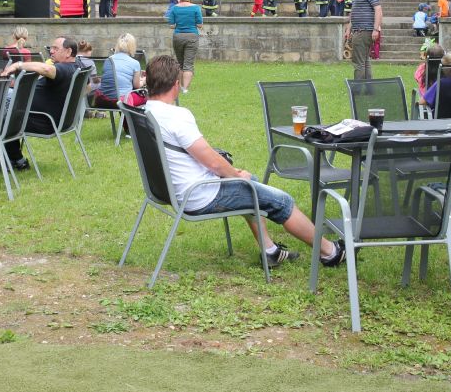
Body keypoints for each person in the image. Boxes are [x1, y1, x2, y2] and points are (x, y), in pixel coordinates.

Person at [143, 55, 346, 268]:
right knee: (282, 201)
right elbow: (213, 163)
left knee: (253, 182)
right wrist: (237, 176)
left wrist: (235, 175)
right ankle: (330, 252)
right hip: (199, 195)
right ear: (176, 85)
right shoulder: (177, 116)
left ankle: (270, 251)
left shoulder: (147, 111)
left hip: (172, 190)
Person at [0, 36, 81, 172]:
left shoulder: (63, 69)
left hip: (43, 121)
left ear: (69, 52)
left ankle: (14, 162)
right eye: (51, 48)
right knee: (6, 113)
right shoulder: (77, 68)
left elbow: (46, 69)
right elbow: (87, 87)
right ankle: (11, 160)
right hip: (53, 119)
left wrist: (17, 65)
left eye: (55, 48)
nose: (51, 51)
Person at [344, 0, 382, 82]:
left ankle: (357, 88)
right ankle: (369, 88)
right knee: (365, 61)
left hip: (364, 31)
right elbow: (354, 12)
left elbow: (378, 10)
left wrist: (376, 29)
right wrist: (348, 29)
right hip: (358, 30)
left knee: (358, 62)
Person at [90, 32, 144, 109]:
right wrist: (143, 81)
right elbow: (136, 86)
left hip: (103, 100)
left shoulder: (108, 60)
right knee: (145, 97)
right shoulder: (135, 63)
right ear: (132, 47)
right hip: (122, 101)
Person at [169, 0, 203, 92]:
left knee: (180, 63)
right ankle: (185, 89)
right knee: (188, 63)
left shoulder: (174, 8)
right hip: (192, 36)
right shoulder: (196, 8)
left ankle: (180, 86)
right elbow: (200, 25)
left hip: (178, 36)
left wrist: (179, 24)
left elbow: (171, 25)